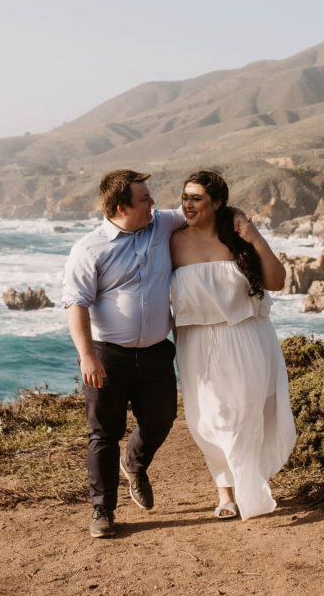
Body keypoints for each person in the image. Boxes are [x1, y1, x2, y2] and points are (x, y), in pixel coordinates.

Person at [62, 169, 186, 539]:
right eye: (145, 199)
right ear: (121, 207)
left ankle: (134, 463)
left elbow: (198, 211)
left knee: (162, 419)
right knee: (104, 433)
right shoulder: (89, 248)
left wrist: (239, 219)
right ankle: (103, 510)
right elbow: (75, 303)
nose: (154, 203)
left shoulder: (160, 224)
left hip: (156, 354)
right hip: (108, 356)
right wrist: (87, 356)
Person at [169, 169, 297, 520]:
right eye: (185, 197)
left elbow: (277, 281)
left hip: (245, 336)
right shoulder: (171, 239)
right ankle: (227, 488)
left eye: (196, 198)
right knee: (207, 419)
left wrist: (256, 239)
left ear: (218, 203)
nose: (188, 204)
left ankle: (239, 490)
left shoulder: (239, 236)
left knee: (244, 414)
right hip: (195, 342)